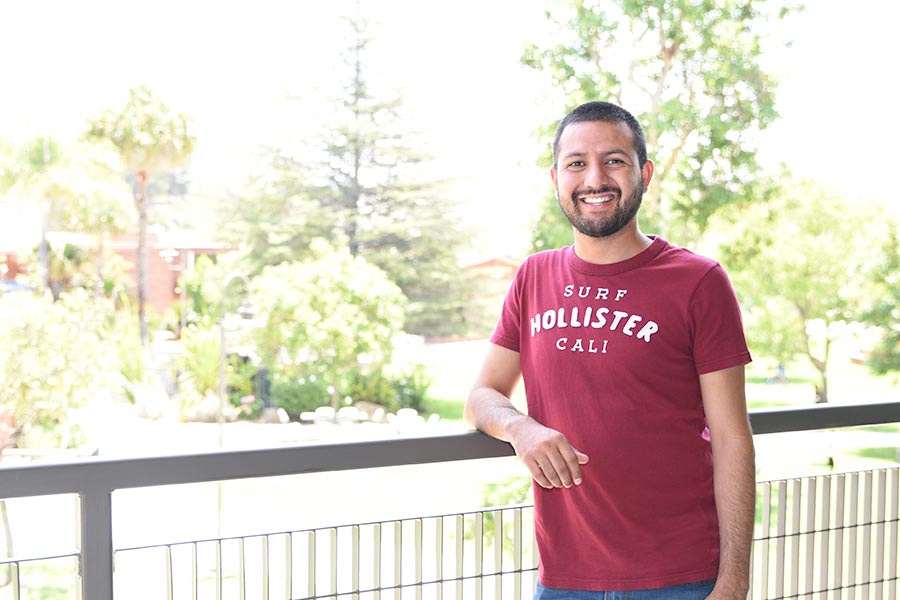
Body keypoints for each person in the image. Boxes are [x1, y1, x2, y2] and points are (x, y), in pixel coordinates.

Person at [465, 101, 755, 600]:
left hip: (682, 578)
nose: (594, 178)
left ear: (643, 173)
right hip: (563, 580)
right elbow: (482, 396)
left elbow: (731, 438)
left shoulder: (698, 281)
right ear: (556, 178)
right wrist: (520, 429)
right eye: (577, 163)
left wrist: (733, 584)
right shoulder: (534, 277)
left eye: (614, 160)